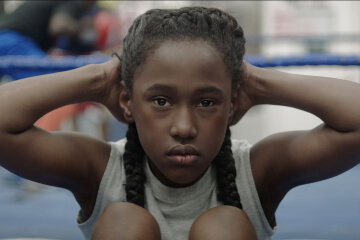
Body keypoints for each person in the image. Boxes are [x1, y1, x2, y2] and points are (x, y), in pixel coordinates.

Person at [0, 6, 359, 240]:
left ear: (232, 105)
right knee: (124, 223)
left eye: (207, 101)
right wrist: (100, 77)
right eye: (160, 101)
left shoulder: (257, 170)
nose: (184, 127)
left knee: (224, 226)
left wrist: (254, 81)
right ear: (127, 101)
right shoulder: (98, 169)